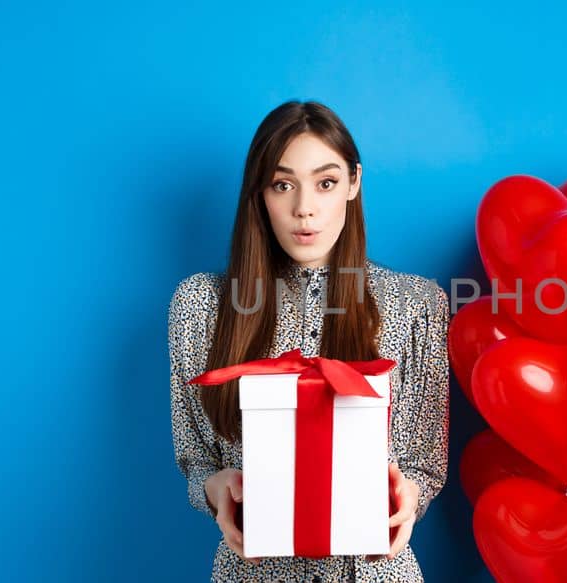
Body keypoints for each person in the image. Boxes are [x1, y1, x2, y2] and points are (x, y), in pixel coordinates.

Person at [168, 100, 451, 581]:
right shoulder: (201, 306)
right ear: (259, 193)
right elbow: (197, 458)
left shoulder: (417, 304)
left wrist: (410, 496)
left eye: (326, 182)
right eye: (283, 185)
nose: (305, 208)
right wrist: (215, 488)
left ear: (353, 183)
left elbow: (426, 460)